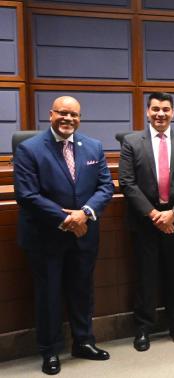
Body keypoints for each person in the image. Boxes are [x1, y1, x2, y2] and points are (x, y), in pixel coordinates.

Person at [14, 96, 114, 375]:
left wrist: (84, 213)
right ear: (51, 114)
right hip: (46, 238)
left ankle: (83, 341)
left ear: (80, 118)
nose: (68, 119)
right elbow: (27, 195)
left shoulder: (92, 146)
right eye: (63, 113)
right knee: (49, 295)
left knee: (83, 291)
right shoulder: (29, 149)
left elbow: (105, 187)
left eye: (74, 114)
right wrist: (67, 219)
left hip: (84, 234)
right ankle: (50, 350)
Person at [119, 92, 174, 352]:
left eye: (166, 109)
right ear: (148, 111)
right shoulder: (132, 142)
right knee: (145, 276)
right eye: (155, 109)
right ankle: (143, 328)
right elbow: (127, 183)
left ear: (173, 112)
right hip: (145, 222)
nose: (160, 114)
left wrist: (173, 213)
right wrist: (155, 215)